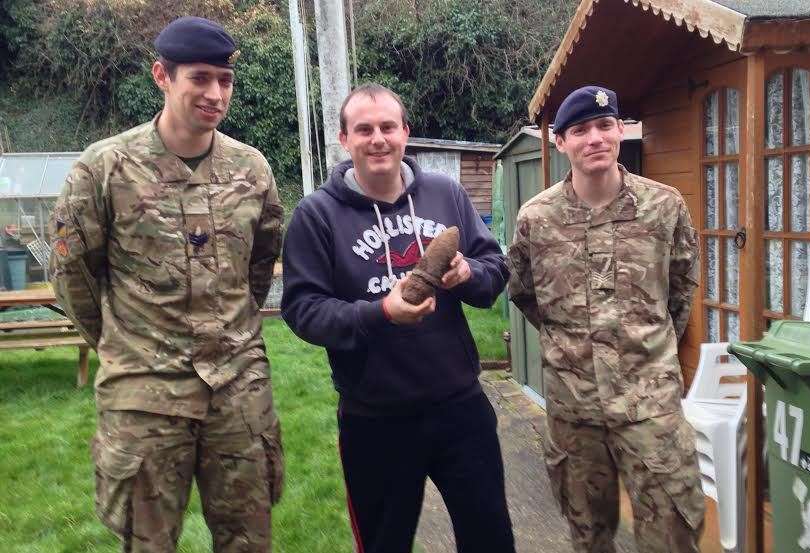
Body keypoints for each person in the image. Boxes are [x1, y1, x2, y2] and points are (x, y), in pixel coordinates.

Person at [48, 16, 284, 553]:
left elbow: (260, 262)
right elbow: (73, 277)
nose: (215, 93)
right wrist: (123, 344)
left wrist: (230, 330)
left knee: (249, 540)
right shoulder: (104, 169)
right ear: (162, 75)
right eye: (199, 78)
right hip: (145, 395)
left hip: (237, 392)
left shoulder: (252, 169)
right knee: (148, 543)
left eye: (224, 80)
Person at [280, 83, 515, 553]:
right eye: (363, 129)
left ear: (405, 132)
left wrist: (467, 274)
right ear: (345, 140)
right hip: (375, 418)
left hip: (459, 407)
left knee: (491, 538)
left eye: (388, 126)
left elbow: (495, 274)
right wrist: (380, 313)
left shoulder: (446, 195)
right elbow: (303, 310)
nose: (378, 139)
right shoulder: (316, 215)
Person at [507, 85, 705, 553]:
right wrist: (573, 345)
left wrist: (644, 350)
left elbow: (682, 287)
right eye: (579, 130)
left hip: (650, 407)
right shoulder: (536, 219)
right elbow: (524, 292)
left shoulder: (664, 206)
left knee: (672, 533)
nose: (594, 138)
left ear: (620, 130)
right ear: (560, 142)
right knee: (588, 534)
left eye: (604, 125)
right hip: (575, 412)